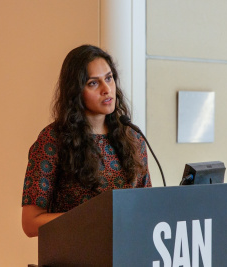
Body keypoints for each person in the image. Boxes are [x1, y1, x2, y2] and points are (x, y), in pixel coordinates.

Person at [21, 44, 152, 237]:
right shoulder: (52, 140)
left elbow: (146, 206)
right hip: (74, 254)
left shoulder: (133, 137)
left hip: (127, 252)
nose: (107, 89)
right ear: (76, 91)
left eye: (109, 78)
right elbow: (30, 224)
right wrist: (93, 217)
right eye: (93, 83)